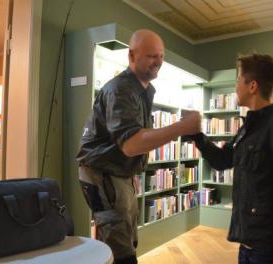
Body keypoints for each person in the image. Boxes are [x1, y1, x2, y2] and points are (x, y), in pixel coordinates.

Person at [76, 29, 201, 264]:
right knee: (119, 246)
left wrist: (132, 171)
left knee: (127, 238)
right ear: (132, 56)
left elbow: (133, 143)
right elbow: (132, 144)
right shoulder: (120, 89)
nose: (159, 62)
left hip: (120, 173)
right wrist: (182, 127)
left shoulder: (141, 90)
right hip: (102, 172)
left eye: (161, 56)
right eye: (152, 56)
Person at [190, 53, 273, 264]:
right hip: (247, 242)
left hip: (270, 248)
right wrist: (197, 136)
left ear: (252, 86)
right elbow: (222, 161)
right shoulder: (247, 128)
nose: (236, 87)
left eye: (238, 80)